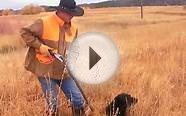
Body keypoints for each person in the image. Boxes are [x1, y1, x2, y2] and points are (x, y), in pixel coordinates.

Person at [20, 0, 85, 115]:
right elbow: (24, 32)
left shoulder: (74, 28)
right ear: (60, 11)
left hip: (64, 70)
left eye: (73, 13)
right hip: (45, 69)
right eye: (69, 13)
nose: (71, 16)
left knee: (77, 100)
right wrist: (40, 47)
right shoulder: (43, 23)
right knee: (53, 103)